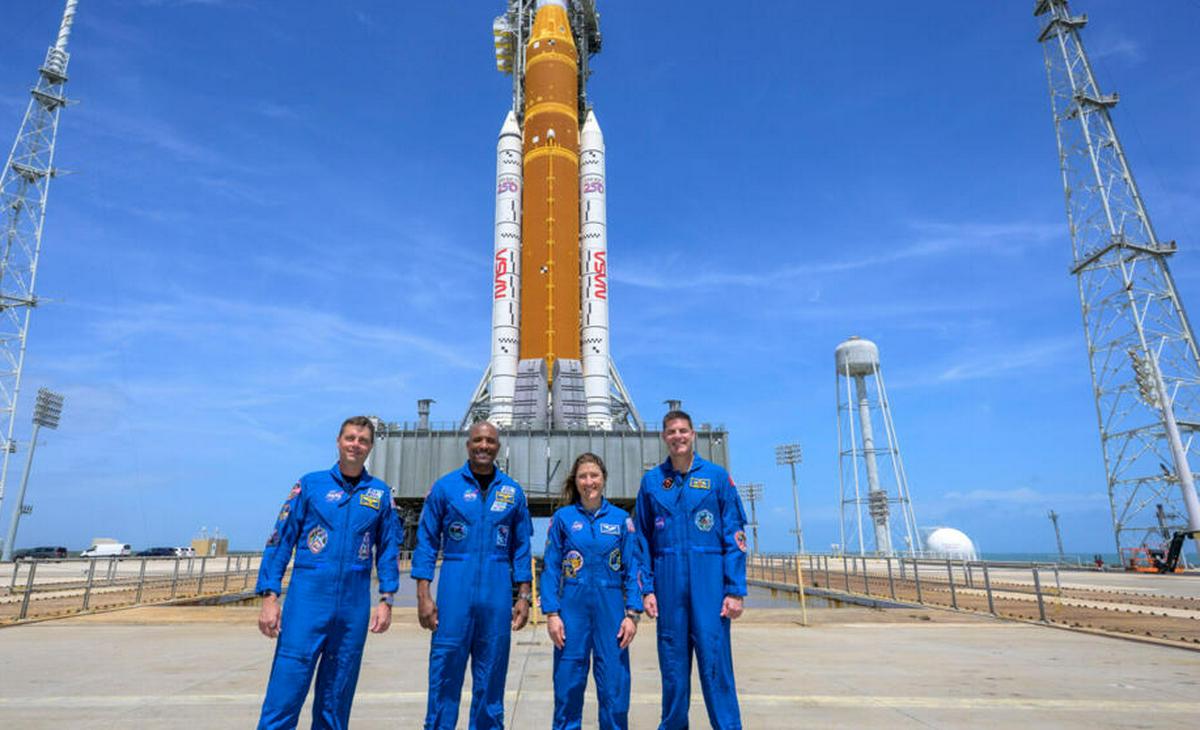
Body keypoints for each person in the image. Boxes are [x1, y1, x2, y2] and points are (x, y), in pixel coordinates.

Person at [254, 416, 400, 730]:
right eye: (350, 438)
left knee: (336, 701)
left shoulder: (379, 494)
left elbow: (388, 549)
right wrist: (269, 595)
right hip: (307, 602)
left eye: (362, 440)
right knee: (284, 695)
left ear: (370, 447)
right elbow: (281, 540)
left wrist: (386, 598)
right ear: (338, 441)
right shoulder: (310, 485)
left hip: (352, 608)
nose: (355, 445)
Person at [412, 420, 533, 729]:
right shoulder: (445, 488)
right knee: (444, 673)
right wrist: (423, 595)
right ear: (468, 445)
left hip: (496, 592)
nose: (484, 446)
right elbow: (426, 543)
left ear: (498, 447)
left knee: (491, 676)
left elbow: (521, 547)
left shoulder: (512, 492)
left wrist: (524, 596)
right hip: (455, 590)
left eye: (490, 441)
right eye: (478, 440)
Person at [635, 410, 748, 730]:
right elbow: (641, 539)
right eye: (671, 432)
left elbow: (735, 535)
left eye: (683, 431)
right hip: (668, 585)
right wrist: (647, 589)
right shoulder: (652, 482)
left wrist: (735, 590)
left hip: (709, 585)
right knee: (673, 669)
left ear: (693, 434)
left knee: (716, 666)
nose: (678, 437)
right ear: (664, 437)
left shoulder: (716, 478)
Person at [540, 453, 642, 730]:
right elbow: (551, 568)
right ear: (575, 481)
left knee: (614, 687)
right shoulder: (563, 519)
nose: (589, 482)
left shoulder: (621, 520)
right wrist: (552, 613)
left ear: (603, 478)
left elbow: (633, 568)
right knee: (568, 685)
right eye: (583, 476)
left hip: (611, 610)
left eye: (594, 475)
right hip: (572, 610)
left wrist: (632, 614)